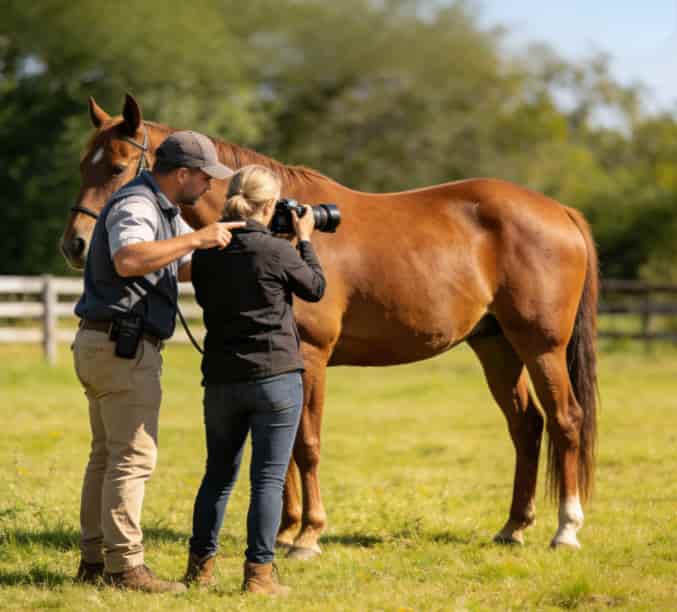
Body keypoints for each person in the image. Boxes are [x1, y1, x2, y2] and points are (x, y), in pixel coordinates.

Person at [72, 131, 244, 593]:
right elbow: (129, 259)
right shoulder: (140, 206)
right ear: (183, 173)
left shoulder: (158, 208)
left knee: (106, 457)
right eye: (205, 177)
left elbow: (169, 262)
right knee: (132, 459)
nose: (210, 187)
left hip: (104, 344)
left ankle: (93, 560)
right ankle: (125, 567)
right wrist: (198, 237)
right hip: (123, 347)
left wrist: (219, 248)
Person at [183, 164, 325, 596]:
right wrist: (304, 240)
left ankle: (200, 570)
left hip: (222, 379)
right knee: (267, 479)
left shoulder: (206, 252)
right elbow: (315, 288)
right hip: (275, 378)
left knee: (218, 476)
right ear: (269, 206)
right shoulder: (278, 251)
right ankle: (258, 575)